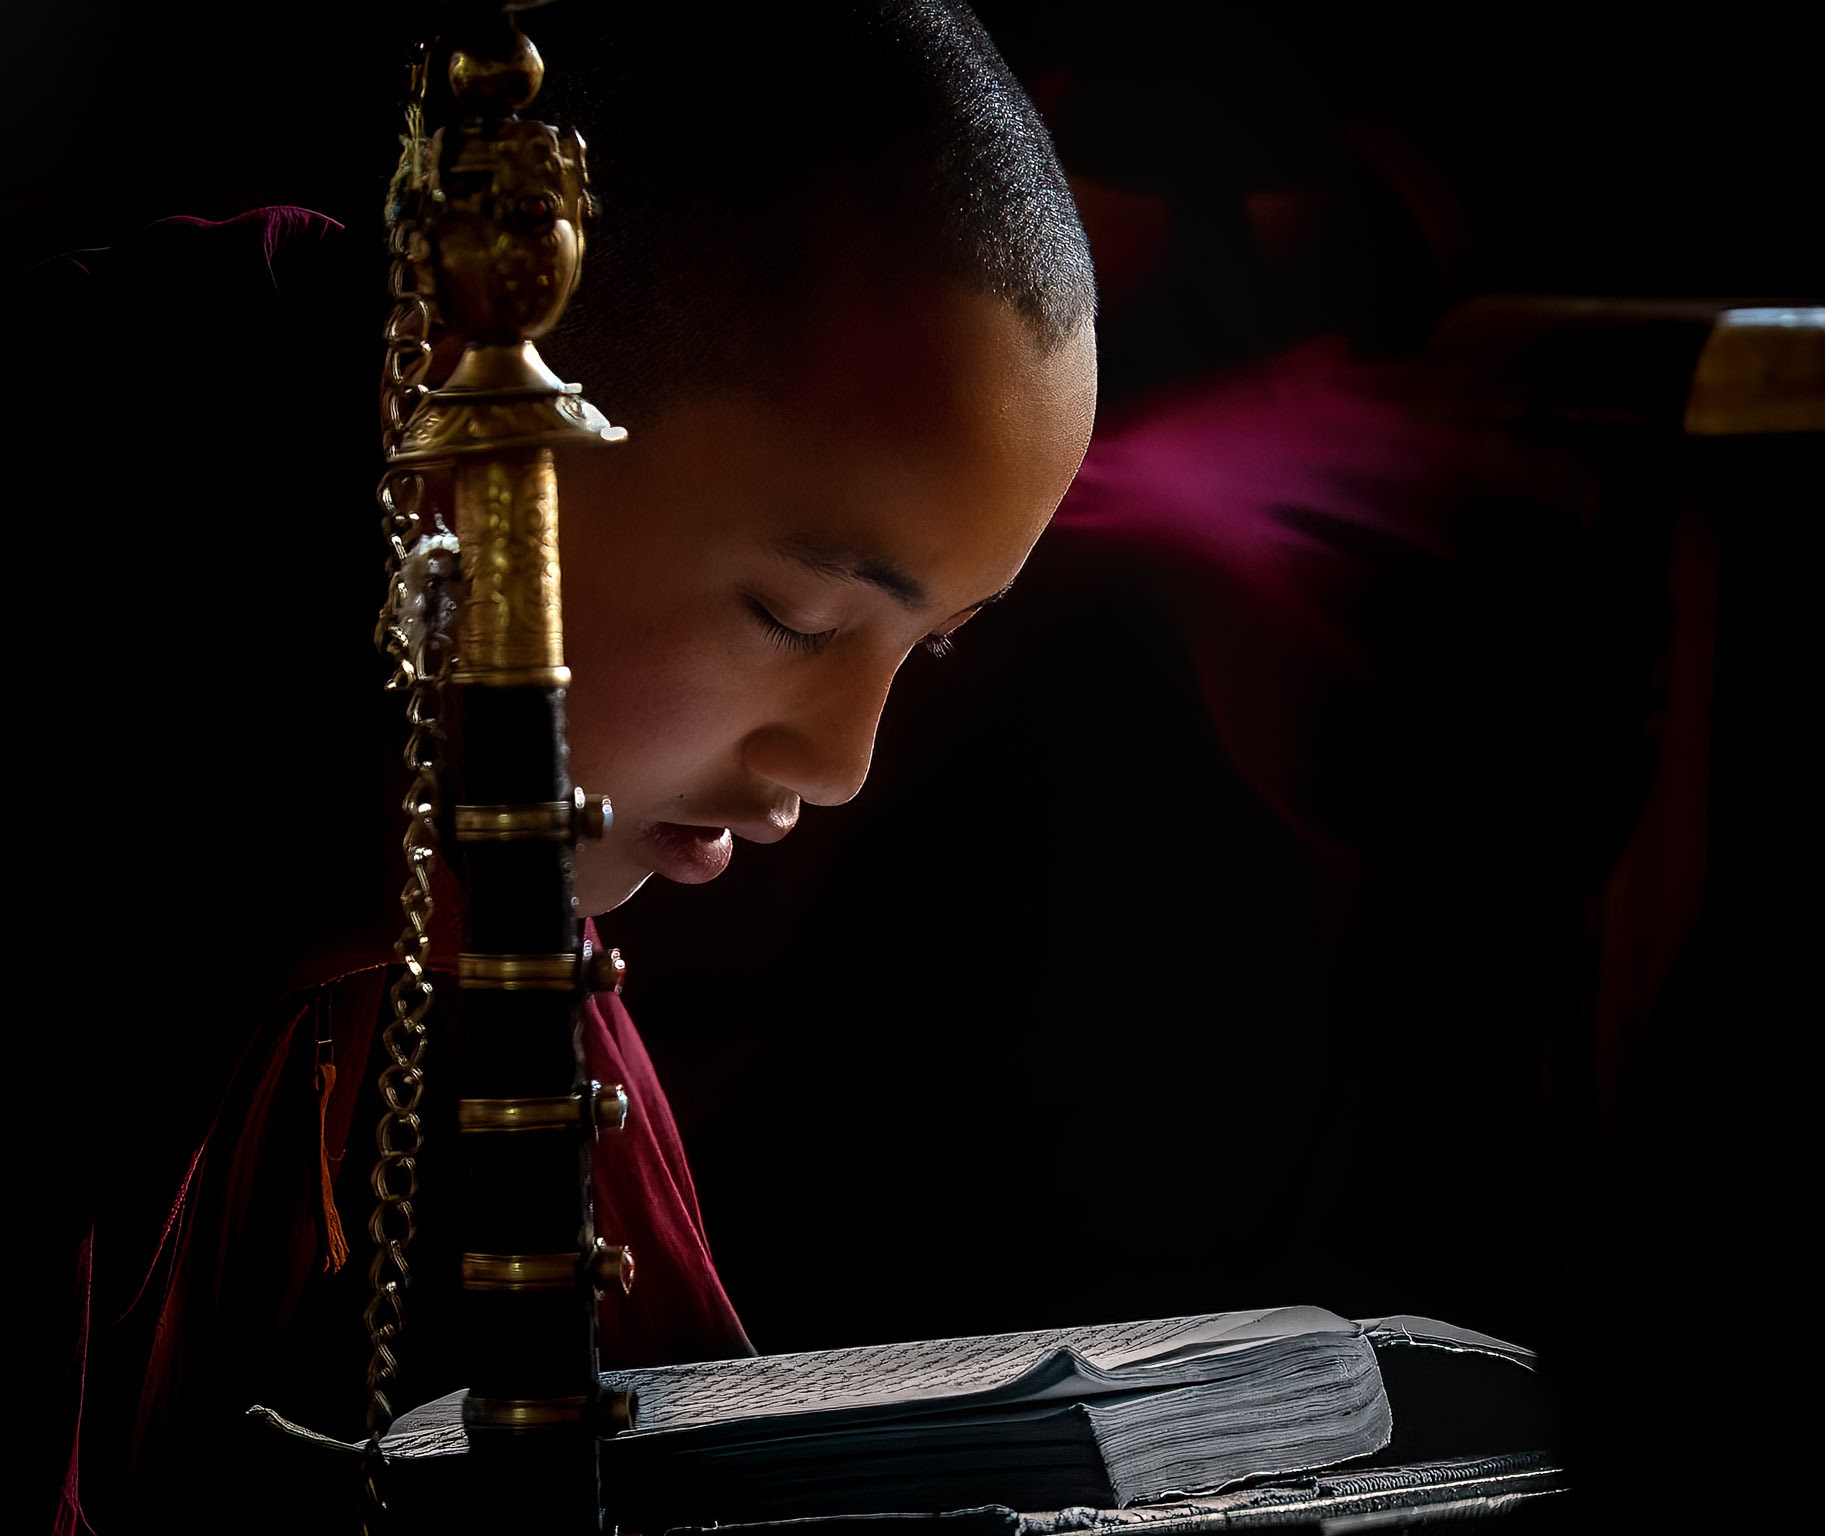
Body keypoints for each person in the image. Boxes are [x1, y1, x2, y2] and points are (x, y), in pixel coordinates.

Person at [37, 5, 1096, 1533]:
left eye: (928, 647)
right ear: (465, 440)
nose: (846, 763)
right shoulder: (97, 665)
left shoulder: (471, 859)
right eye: (796, 617)